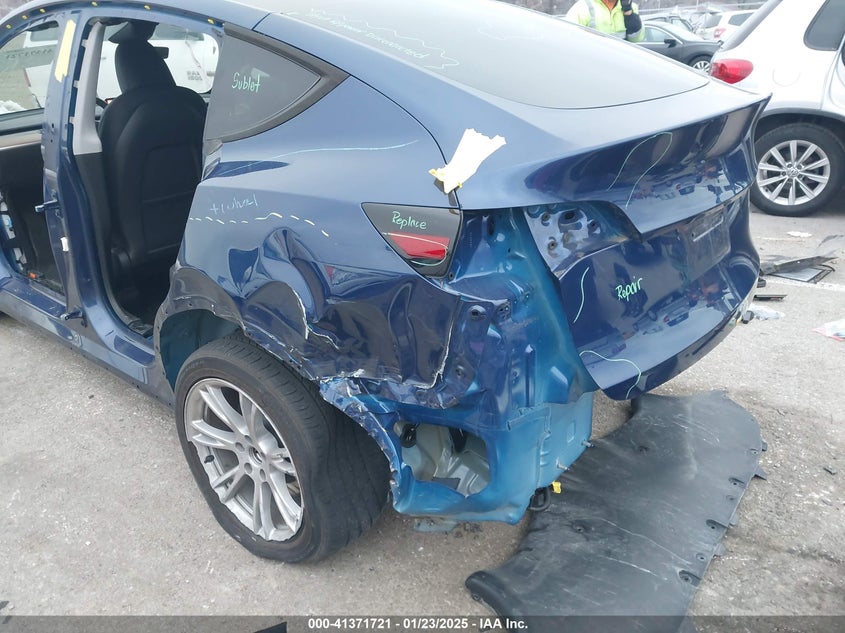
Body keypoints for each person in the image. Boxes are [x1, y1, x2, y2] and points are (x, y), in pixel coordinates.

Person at [565, 0, 644, 43]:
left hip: (622, 62)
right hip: (593, 62)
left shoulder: (630, 6)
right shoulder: (582, 7)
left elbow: (636, 39)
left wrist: (629, 14)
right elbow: (568, 40)